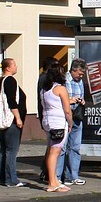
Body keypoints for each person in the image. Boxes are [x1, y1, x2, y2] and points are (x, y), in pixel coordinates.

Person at [39, 61, 72, 192]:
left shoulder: (44, 89)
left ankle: (54, 180)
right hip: (58, 122)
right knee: (55, 152)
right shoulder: (61, 89)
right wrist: (70, 123)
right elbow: (67, 109)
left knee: (51, 150)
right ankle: (52, 183)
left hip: (47, 121)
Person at [0, 58, 27, 187]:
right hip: (11, 121)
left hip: (3, 120)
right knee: (11, 151)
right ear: (8, 68)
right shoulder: (10, 80)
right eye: (14, 64)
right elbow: (12, 101)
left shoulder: (1, 81)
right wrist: (18, 118)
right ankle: (11, 179)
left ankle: (4, 178)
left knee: (4, 150)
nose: (16, 66)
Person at [61, 58, 88, 186]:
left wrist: (81, 101)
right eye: (79, 73)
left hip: (77, 116)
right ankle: (58, 176)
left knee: (75, 147)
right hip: (65, 116)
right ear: (73, 70)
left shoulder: (80, 81)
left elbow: (81, 95)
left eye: (82, 74)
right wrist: (70, 100)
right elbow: (59, 97)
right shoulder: (64, 80)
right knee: (62, 148)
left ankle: (73, 176)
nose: (81, 76)